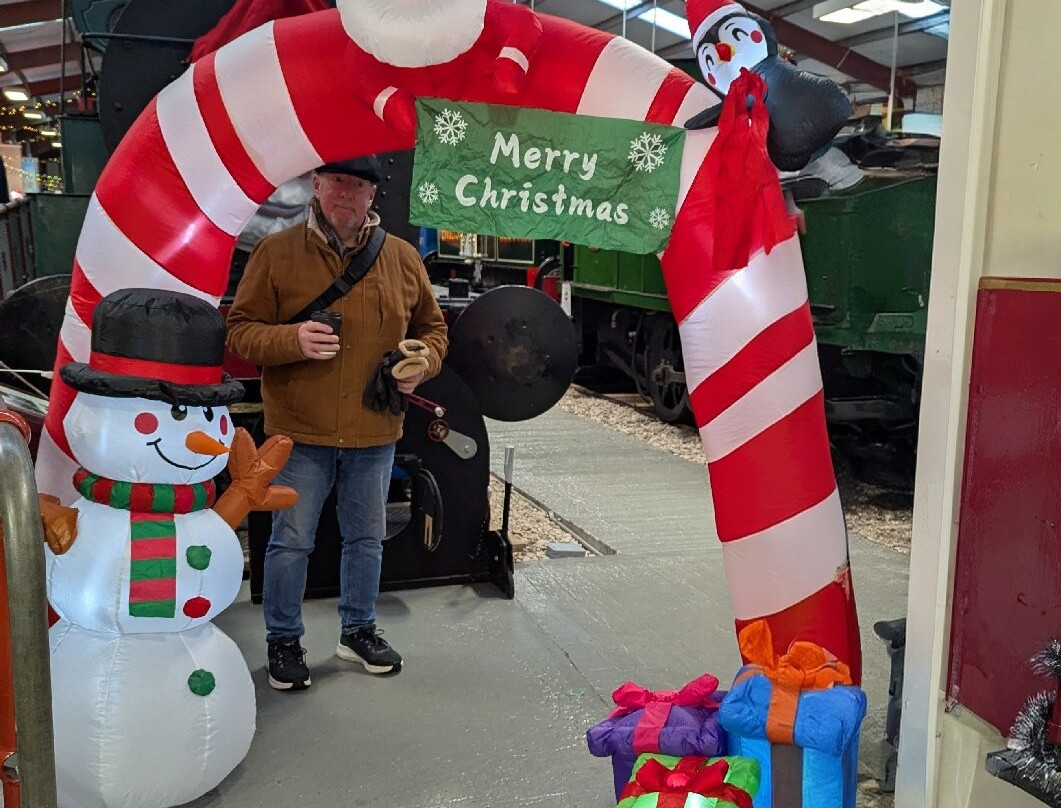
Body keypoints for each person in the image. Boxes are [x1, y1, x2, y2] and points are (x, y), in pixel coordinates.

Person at [226, 155, 448, 690]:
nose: (348, 193)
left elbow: (434, 329)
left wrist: (423, 364)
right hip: (299, 433)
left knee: (366, 537)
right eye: (339, 182)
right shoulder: (276, 253)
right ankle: (283, 640)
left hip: (375, 430)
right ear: (317, 184)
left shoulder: (400, 257)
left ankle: (358, 631)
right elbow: (239, 330)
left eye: (360, 185)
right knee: (291, 540)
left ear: (373, 196)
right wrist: (292, 339)